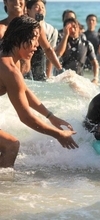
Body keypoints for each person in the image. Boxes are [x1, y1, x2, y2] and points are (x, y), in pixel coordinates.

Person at [0, 16, 78, 168]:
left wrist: (51, 117)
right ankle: (6, 189)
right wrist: (58, 135)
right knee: (11, 146)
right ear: (19, 38)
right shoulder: (8, 69)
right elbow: (26, 118)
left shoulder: (4, 53)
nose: (37, 45)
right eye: (34, 39)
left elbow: (23, 90)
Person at [0, 0, 62, 75]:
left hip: (27, 77)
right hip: (7, 76)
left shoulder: (33, 26)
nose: (17, 1)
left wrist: (60, 70)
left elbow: (48, 49)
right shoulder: (1, 28)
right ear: (5, 2)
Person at [55, 17, 99, 83]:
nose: (72, 30)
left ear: (79, 28)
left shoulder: (87, 44)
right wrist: (66, 35)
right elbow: (59, 54)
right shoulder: (61, 43)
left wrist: (96, 78)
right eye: (69, 28)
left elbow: (95, 63)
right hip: (61, 78)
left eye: (74, 27)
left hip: (79, 79)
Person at [26, 0, 58, 80]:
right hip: (25, 71)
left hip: (40, 72)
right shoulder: (22, 27)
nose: (41, 10)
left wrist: (48, 76)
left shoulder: (52, 30)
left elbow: (50, 53)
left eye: (43, 8)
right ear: (28, 10)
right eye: (37, 7)